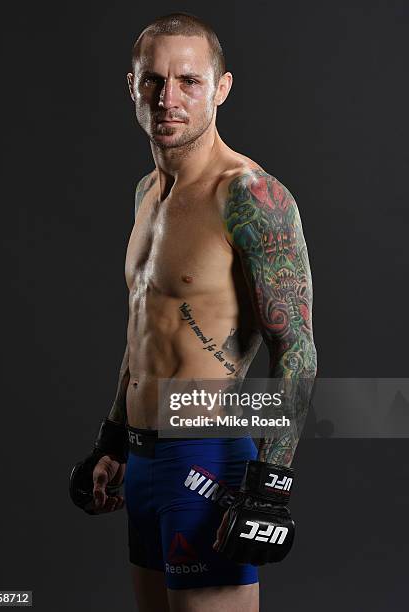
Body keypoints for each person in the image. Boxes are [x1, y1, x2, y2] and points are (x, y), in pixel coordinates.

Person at [70, 12, 317, 612]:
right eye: (152, 81)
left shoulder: (250, 195)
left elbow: (299, 349)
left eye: (189, 80)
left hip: (207, 455)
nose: (168, 98)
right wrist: (112, 440)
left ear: (222, 88)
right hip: (144, 459)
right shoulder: (146, 193)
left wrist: (271, 485)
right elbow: (144, 335)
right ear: (132, 87)